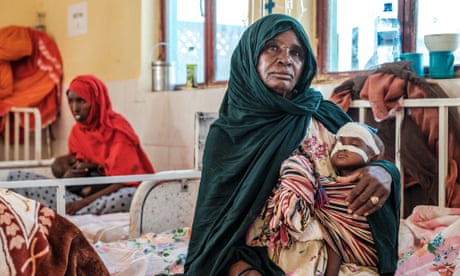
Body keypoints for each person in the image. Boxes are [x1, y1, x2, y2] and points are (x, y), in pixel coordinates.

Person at [183, 14, 400, 276]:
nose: (285, 59)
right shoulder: (228, 135)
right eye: (272, 47)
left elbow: (370, 156)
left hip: (341, 257)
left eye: (296, 53)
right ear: (249, 57)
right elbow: (217, 229)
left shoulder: (324, 114)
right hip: (262, 259)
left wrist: (384, 172)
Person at [246, 121, 388, 276]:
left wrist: (385, 170)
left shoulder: (364, 187)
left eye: (354, 144)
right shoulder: (322, 183)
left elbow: (338, 236)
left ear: (373, 158)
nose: (343, 148)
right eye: (338, 143)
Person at [60, 74, 155, 215]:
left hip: (120, 187)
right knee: (46, 172)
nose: (75, 108)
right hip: (91, 183)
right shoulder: (77, 131)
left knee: (131, 196)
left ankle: (82, 209)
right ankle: (74, 204)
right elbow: (79, 161)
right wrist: (70, 174)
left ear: (97, 101)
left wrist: (84, 202)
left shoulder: (117, 129)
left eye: (81, 101)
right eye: (71, 101)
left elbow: (124, 179)